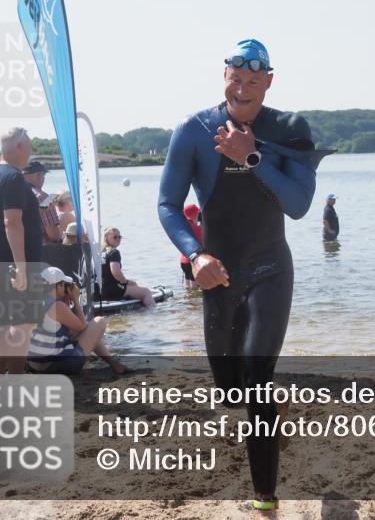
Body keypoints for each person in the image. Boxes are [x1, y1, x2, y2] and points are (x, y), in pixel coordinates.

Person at [158, 38, 329, 515]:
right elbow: (168, 204)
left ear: (268, 82)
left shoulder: (290, 129)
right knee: (233, 391)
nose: (244, 88)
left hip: (272, 267)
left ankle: (265, 500)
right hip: (219, 275)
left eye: (255, 81)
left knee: (256, 379)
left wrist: (250, 156)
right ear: (224, 76)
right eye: (237, 79)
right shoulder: (193, 130)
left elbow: (298, 207)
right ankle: (272, 408)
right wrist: (194, 257)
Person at [0, 127, 45, 374]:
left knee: (5, 327)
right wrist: (21, 267)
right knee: (22, 326)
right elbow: (11, 222)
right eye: (29, 144)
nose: (30, 149)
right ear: (20, 147)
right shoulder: (13, 176)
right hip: (14, 264)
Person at [27, 266, 126, 375]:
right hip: (52, 367)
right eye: (64, 285)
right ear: (59, 285)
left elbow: (73, 327)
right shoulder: (56, 306)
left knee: (85, 331)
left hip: (34, 364)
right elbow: (82, 326)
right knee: (99, 322)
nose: (66, 288)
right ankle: (115, 364)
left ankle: (114, 364)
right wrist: (75, 299)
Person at [98, 226, 154, 307]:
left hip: (99, 291)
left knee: (131, 285)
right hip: (112, 289)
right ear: (106, 238)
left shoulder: (98, 252)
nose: (118, 239)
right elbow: (116, 272)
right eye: (115, 237)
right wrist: (127, 282)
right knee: (146, 292)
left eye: (119, 237)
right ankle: (154, 314)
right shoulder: (114, 252)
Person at [23, 161, 61, 243]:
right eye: (42, 174)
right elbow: (53, 235)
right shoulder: (43, 198)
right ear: (38, 175)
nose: (42, 178)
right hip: (41, 250)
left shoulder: (13, 195)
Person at [178, 204, 202, 289]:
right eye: (198, 214)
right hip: (192, 261)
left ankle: (188, 301)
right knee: (195, 288)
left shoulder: (183, 227)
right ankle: (194, 301)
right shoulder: (197, 228)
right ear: (194, 215)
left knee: (188, 286)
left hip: (183, 261)